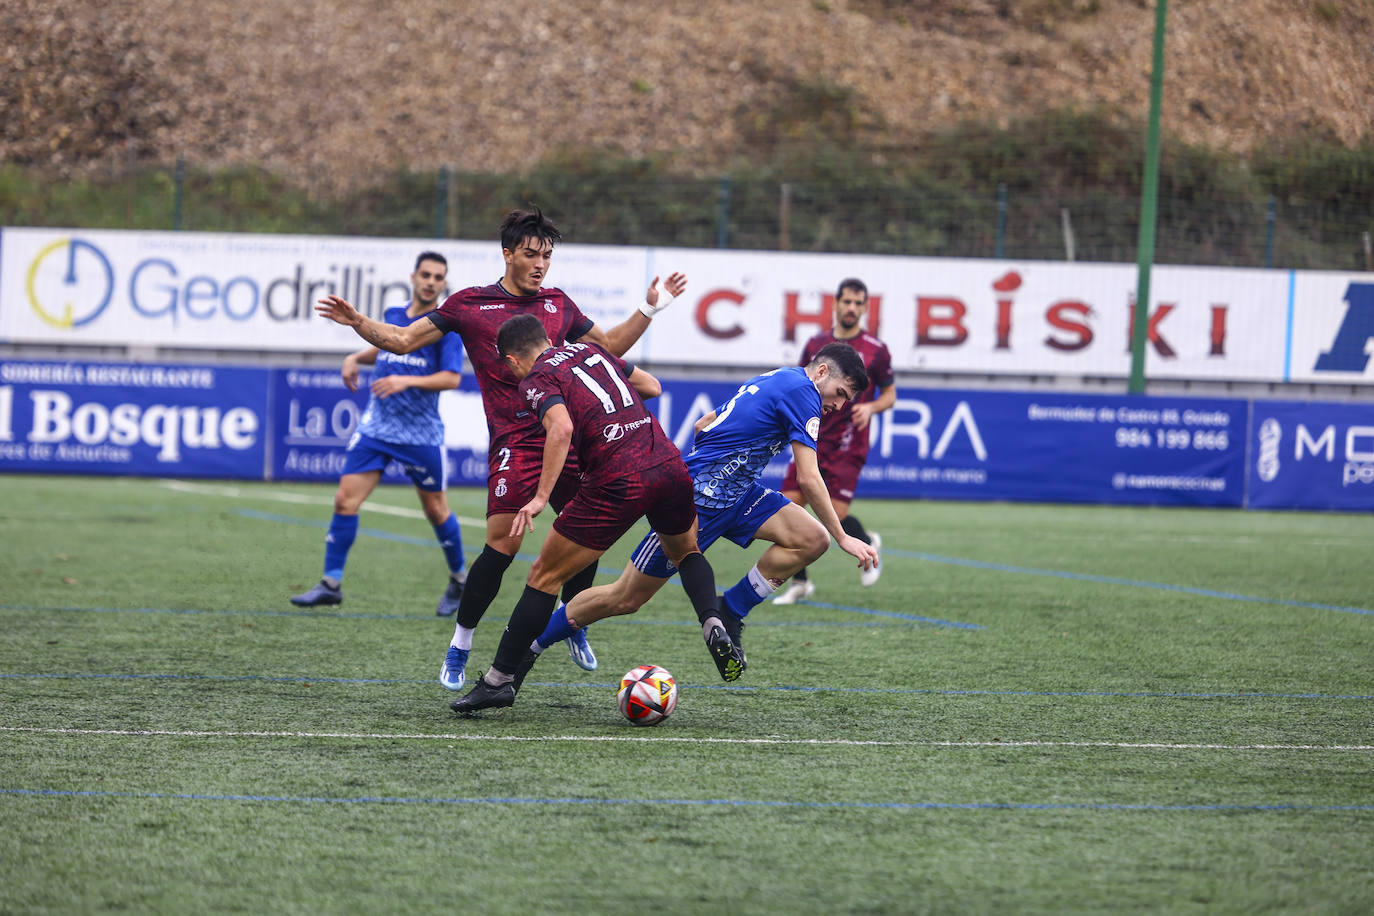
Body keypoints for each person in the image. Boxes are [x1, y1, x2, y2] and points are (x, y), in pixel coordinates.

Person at [314, 208, 686, 689]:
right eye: (532, 255)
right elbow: (403, 341)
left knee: (583, 532)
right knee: (502, 546)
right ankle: (461, 643)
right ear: (507, 253)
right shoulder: (470, 305)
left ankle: (574, 620)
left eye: (547, 256)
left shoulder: (558, 303)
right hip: (517, 444)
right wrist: (357, 322)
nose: (541, 265)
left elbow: (610, 347)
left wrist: (650, 308)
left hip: (570, 436)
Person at [522, 342, 878, 678]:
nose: (840, 405)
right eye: (841, 394)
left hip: (737, 494)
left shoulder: (781, 377)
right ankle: (531, 646)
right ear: (822, 372)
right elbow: (809, 477)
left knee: (811, 539)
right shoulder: (805, 393)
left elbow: (704, 422)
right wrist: (844, 536)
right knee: (625, 598)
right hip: (696, 500)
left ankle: (731, 610)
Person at [451, 315, 736, 714]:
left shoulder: (534, 379)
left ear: (512, 360)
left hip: (618, 477)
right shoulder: (591, 350)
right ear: (549, 338)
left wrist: (539, 497)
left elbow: (561, 429)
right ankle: (712, 621)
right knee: (686, 552)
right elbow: (651, 386)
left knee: (544, 577)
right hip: (668, 464)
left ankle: (499, 681)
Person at [291, 251, 468, 615]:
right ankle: (331, 584)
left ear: (443, 284)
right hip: (377, 428)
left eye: (438, 277)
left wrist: (406, 379)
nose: (431, 281)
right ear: (413, 277)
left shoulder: (445, 327)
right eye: (426, 275)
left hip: (420, 435)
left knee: (436, 512)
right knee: (345, 501)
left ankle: (460, 579)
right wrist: (356, 357)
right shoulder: (393, 315)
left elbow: (452, 377)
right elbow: (386, 344)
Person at [774, 278, 896, 604]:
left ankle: (865, 539)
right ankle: (800, 583)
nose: (852, 308)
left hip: (848, 444)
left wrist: (871, 406)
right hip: (812, 435)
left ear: (865, 308)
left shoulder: (876, 350)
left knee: (835, 517)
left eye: (859, 303)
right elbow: (802, 381)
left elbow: (890, 394)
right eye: (847, 302)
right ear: (836, 304)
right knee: (787, 508)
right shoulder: (817, 343)